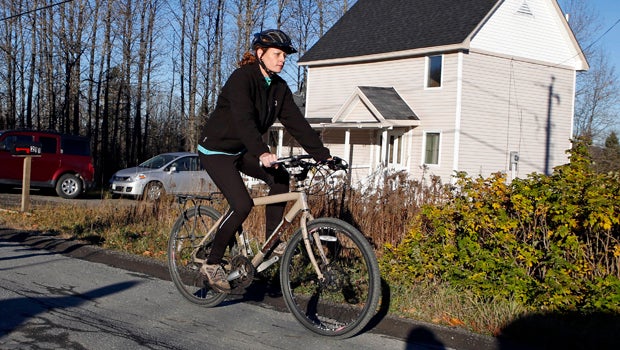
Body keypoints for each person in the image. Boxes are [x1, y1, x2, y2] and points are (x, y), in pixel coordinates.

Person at [197, 29, 332, 293]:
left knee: (281, 176)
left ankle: (271, 241)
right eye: (277, 54)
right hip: (216, 150)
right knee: (242, 204)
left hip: (243, 149)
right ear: (260, 53)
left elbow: (297, 124)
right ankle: (212, 263)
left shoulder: (279, 88)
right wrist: (262, 152)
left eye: (284, 55)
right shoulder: (241, 79)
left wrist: (323, 155)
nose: (282, 60)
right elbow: (244, 121)